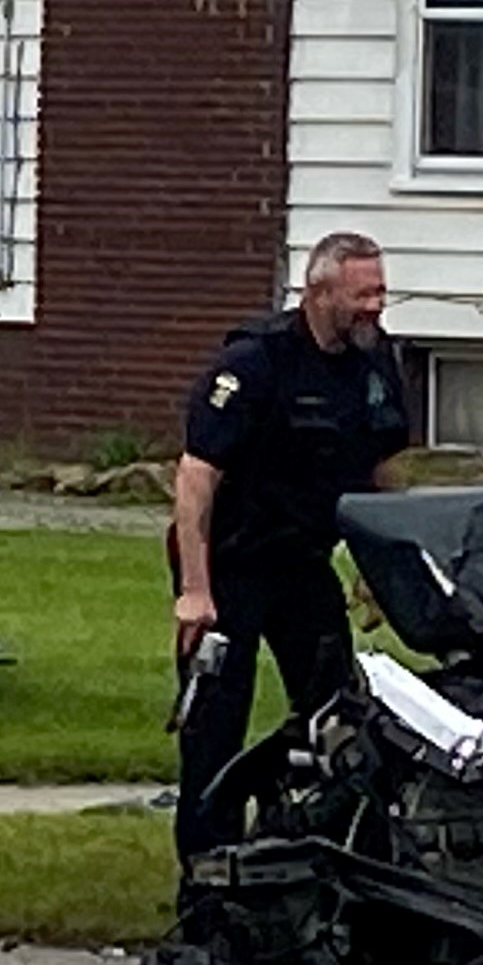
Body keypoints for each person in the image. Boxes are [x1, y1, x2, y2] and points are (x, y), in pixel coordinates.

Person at [169, 232, 414, 859]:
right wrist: (196, 591)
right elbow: (196, 479)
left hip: (303, 565)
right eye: (363, 293)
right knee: (214, 727)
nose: (375, 306)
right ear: (319, 292)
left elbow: (383, 467)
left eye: (381, 291)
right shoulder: (255, 364)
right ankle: (204, 878)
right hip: (230, 566)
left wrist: (382, 567)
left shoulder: (374, 362)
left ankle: (321, 854)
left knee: (337, 712)